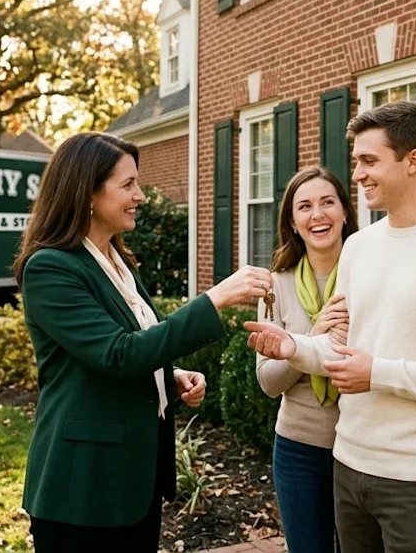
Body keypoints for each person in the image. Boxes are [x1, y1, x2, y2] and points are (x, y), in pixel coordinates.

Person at [246, 101, 416, 553]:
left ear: (413, 161)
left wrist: (379, 373)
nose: (357, 175)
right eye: (356, 162)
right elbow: (343, 349)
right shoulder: (360, 248)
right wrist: (294, 347)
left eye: (369, 161)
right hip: (348, 466)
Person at [14, 131, 274, 553]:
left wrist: (167, 377)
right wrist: (216, 298)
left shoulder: (117, 261)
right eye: (128, 184)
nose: (141, 195)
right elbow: (117, 354)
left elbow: (125, 349)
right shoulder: (51, 268)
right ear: (88, 192)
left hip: (133, 483)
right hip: (83, 488)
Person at [256, 167, 358, 553]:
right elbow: (268, 382)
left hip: (361, 446)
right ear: (293, 223)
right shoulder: (274, 286)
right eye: (305, 206)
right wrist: (310, 339)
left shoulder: (369, 275)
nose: (318, 215)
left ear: (345, 213)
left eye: (328, 202)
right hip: (298, 448)